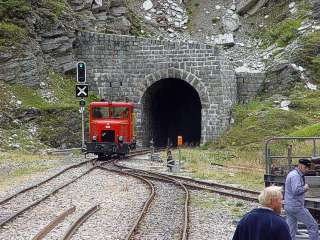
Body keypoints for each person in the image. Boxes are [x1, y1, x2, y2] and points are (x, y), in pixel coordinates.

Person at [284, 158, 319, 240]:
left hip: (289, 205)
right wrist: (305, 188)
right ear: (300, 166)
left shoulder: (292, 174)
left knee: (291, 229)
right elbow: (296, 190)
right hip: (296, 207)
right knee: (313, 225)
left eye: (308, 168)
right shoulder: (295, 176)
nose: (307, 169)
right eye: (306, 167)